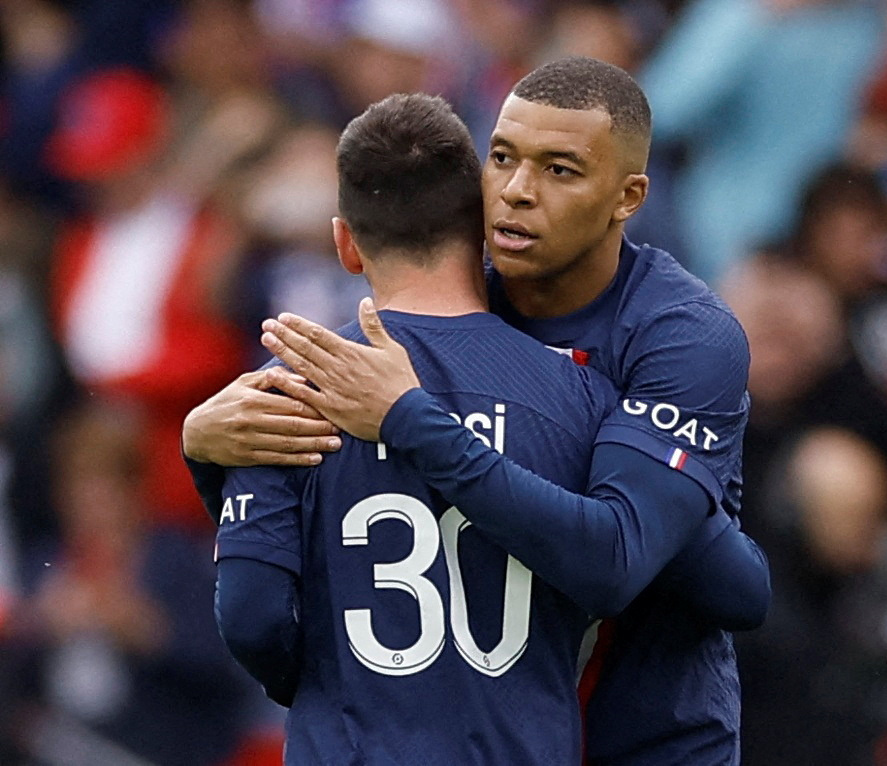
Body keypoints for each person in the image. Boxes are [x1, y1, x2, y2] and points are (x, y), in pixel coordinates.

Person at [188, 58, 770, 765]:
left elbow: (693, 579)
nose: (518, 193)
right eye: (502, 158)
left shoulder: (680, 335)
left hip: (648, 739)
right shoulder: (453, 305)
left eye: (559, 169)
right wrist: (205, 445)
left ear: (629, 196)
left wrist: (412, 420)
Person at [213, 92, 630, 764]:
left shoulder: (289, 386)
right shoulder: (581, 394)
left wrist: (319, 686)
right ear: (483, 223)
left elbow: (252, 615)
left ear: (345, 243)